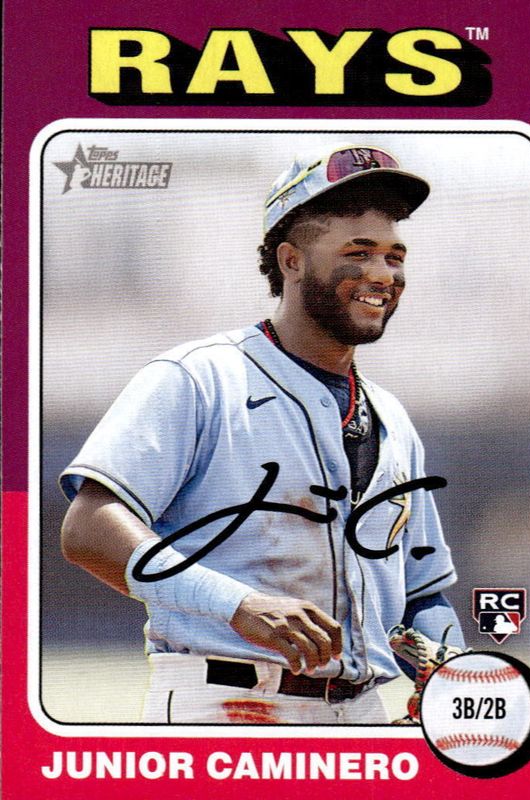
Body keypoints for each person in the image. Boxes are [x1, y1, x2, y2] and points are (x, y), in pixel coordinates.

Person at [60, 142, 466, 725]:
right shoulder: (199, 377)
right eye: (357, 253)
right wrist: (239, 605)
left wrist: (453, 675)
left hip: (363, 714)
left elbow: (422, 592)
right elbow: (88, 528)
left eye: (393, 256)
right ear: (291, 260)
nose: (382, 274)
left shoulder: (392, 418)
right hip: (223, 702)